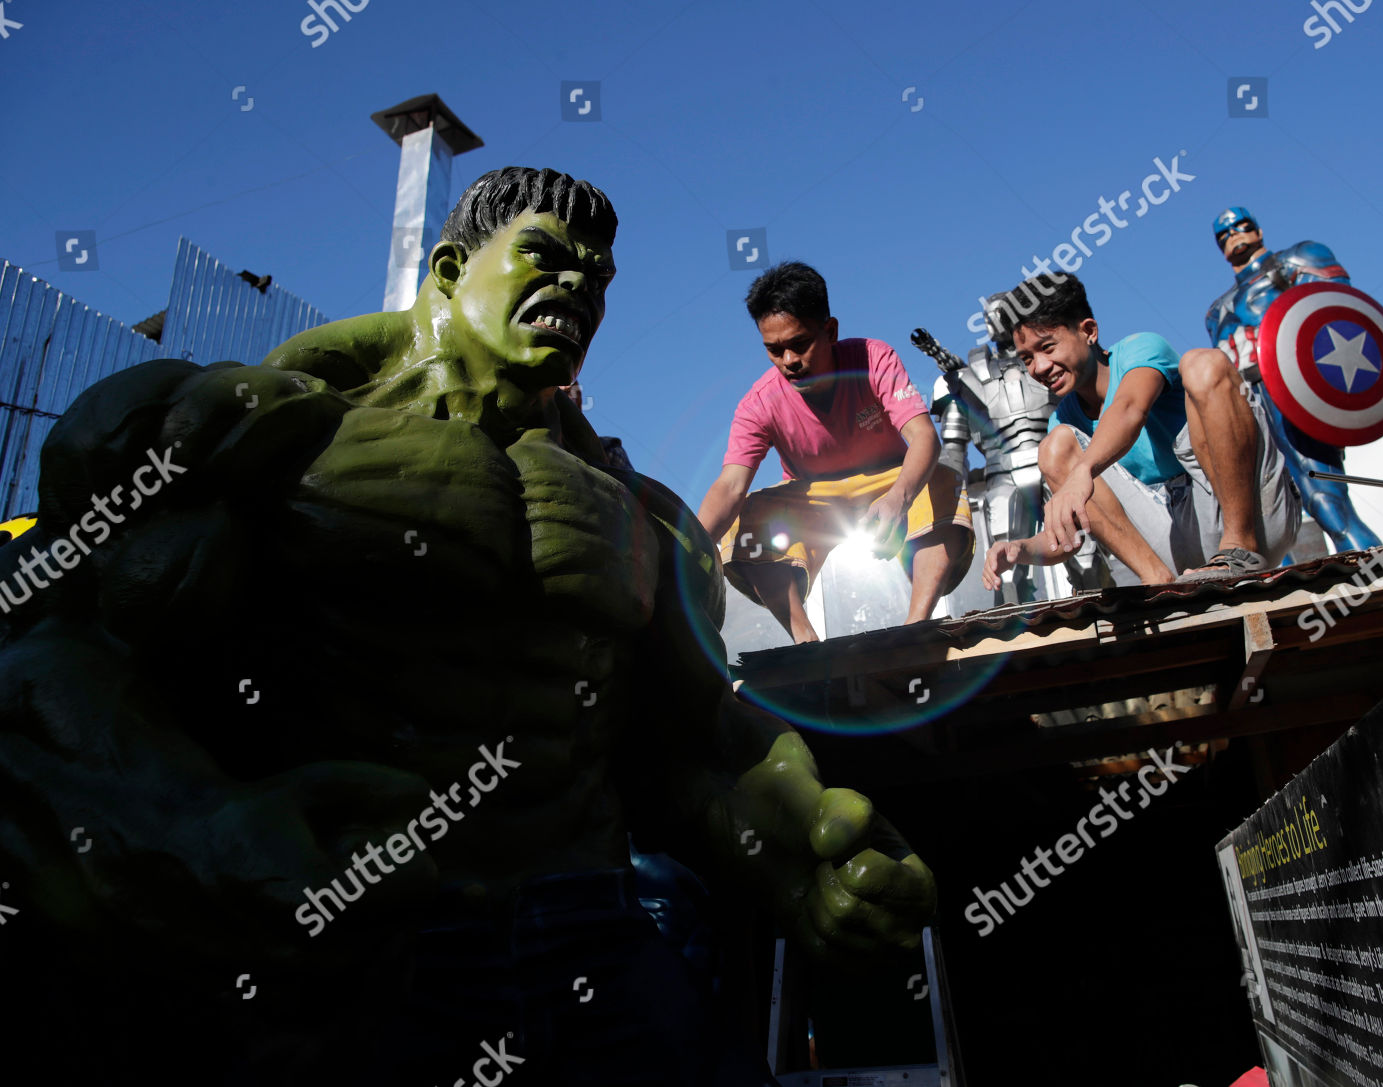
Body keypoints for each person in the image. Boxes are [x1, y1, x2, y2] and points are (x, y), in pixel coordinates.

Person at [0, 167, 935, 1086]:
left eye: (598, 278)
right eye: (545, 256)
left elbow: (688, 741)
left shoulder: (635, 515)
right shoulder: (254, 431)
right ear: (448, 270)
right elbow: (52, 662)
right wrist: (188, 829)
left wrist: (805, 853)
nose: (577, 285)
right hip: (362, 951)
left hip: (589, 931)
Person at [697, 262, 973, 643]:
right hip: (814, 498)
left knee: (942, 479)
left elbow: (925, 437)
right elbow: (730, 486)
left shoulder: (873, 358)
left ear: (830, 331)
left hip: (889, 482)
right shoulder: (757, 404)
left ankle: (916, 626)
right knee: (744, 519)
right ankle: (804, 640)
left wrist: (898, 499)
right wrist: (685, 551)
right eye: (774, 350)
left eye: (800, 344)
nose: (789, 361)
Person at [979, 273, 1299, 588]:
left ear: (1088, 331)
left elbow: (1130, 408)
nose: (1039, 367)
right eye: (1027, 359)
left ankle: (1240, 548)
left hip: (1257, 518)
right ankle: (1157, 582)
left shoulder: (1141, 350)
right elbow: (1068, 534)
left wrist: (1085, 471)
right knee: (1054, 448)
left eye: (1047, 347)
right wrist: (1020, 549)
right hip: (1185, 545)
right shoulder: (1063, 424)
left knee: (1204, 364)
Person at [1205, 206, 1380, 552]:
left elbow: (1340, 314)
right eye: (1223, 233)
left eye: (1240, 226)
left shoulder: (1296, 261)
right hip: (1244, 403)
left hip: (1291, 388)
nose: (1233, 234)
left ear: (1257, 228)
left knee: (1324, 498)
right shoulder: (1216, 310)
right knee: (1256, 517)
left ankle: (1376, 577)